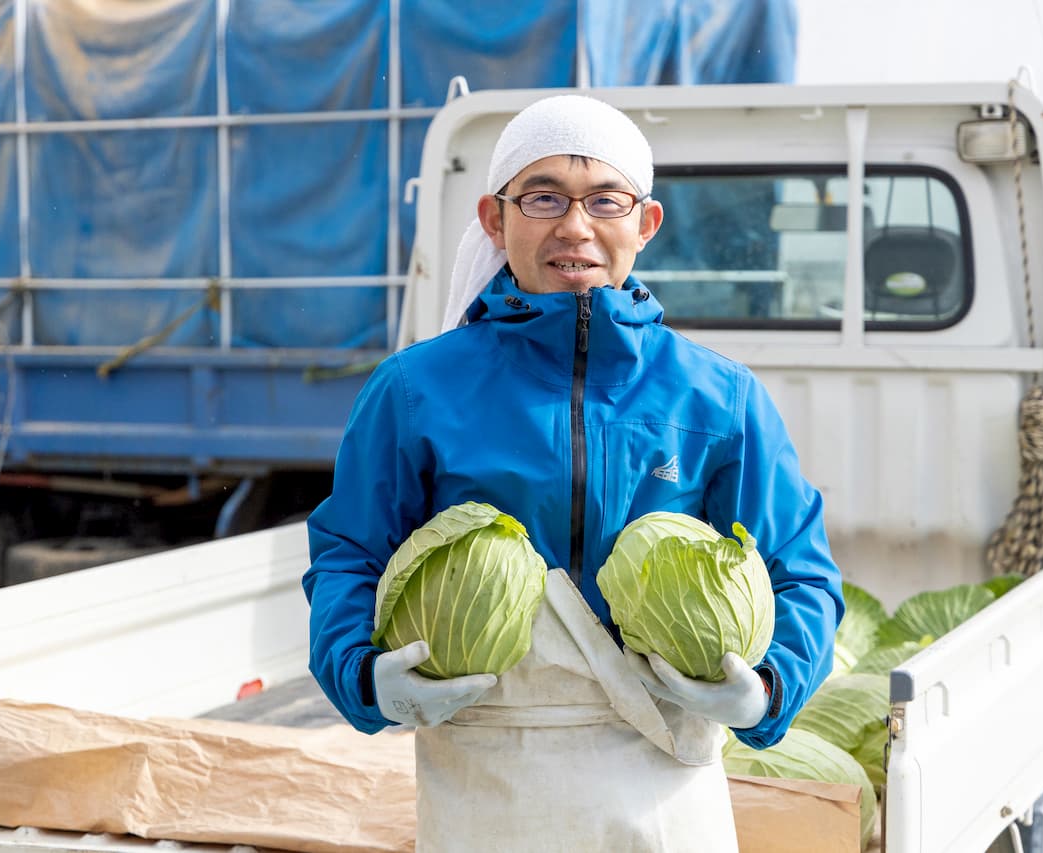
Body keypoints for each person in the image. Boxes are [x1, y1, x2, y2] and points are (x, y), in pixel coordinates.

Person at [303, 93, 844, 852]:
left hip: (664, 779)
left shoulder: (717, 397)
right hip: (487, 778)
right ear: (495, 219)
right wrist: (361, 673)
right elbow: (349, 552)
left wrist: (769, 685)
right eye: (544, 197)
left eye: (604, 200)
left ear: (646, 223)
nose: (575, 226)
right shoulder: (416, 390)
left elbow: (802, 572)